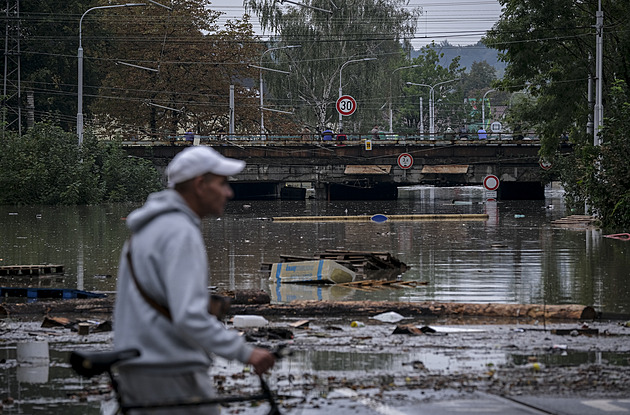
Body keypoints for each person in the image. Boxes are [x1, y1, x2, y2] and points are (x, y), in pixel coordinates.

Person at [113, 146, 275, 414]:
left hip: (139, 363)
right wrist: (245, 352)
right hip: (169, 368)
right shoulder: (180, 232)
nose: (229, 192)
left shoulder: (147, 228)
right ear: (200, 184)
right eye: (222, 183)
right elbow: (189, 315)